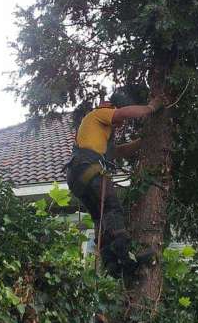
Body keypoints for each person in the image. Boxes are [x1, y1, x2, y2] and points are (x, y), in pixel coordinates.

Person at [65, 95, 164, 277]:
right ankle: (126, 254)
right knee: (112, 208)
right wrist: (151, 107)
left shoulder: (97, 135)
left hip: (76, 176)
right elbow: (123, 113)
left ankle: (111, 263)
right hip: (88, 167)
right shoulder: (99, 113)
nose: (120, 124)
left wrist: (143, 142)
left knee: (100, 218)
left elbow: (119, 151)